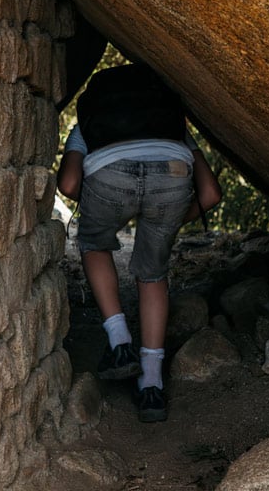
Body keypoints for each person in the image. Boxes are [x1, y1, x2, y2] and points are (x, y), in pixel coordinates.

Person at [57, 62, 222, 422]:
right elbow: (210, 194)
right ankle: (152, 389)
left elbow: (69, 186)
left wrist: (104, 206)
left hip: (108, 174)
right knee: (152, 274)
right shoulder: (171, 125)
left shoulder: (91, 121)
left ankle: (119, 344)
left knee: (94, 242)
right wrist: (168, 220)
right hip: (174, 175)